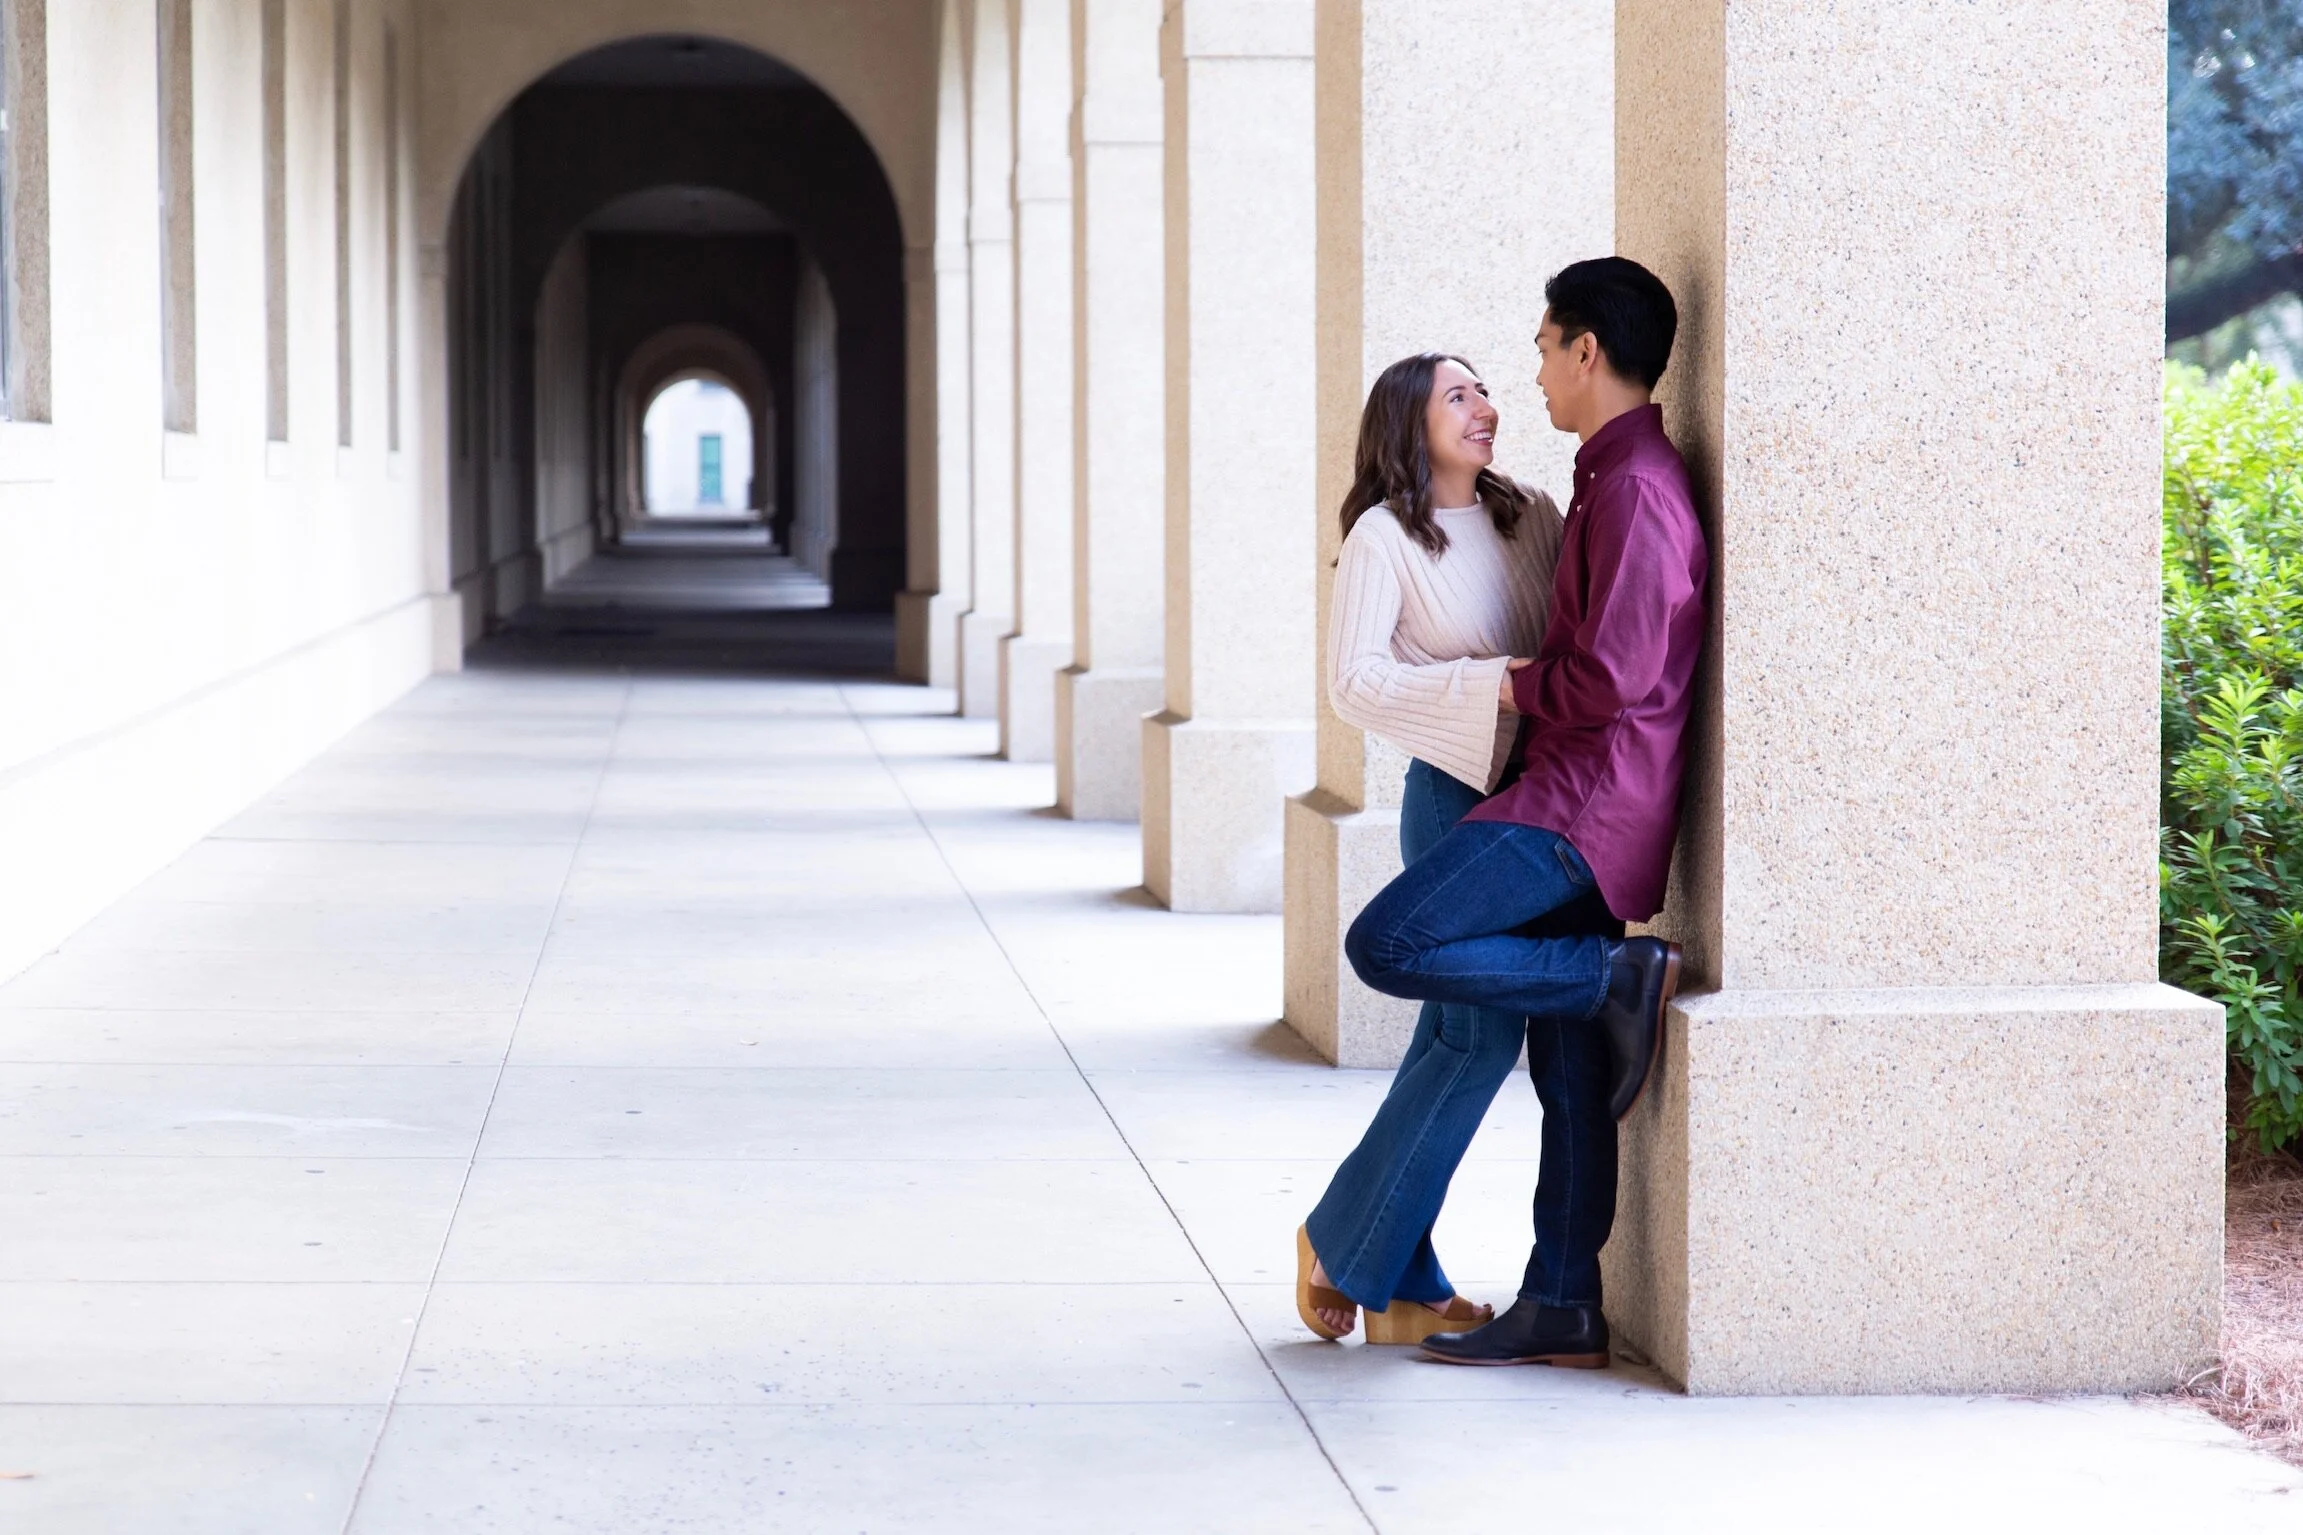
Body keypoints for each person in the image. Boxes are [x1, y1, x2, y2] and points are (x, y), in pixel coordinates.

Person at [1342, 257, 1708, 1369]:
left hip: (1578, 806)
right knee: (1564, 1069)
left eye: (1544, 347)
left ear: (1586, 350)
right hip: (1559, 789)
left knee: (1388, 939)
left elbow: (1608, 678)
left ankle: (1613, 979)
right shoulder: (1598, 479)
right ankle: (1563, 1299)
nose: (1529, 375)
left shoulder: (1635, 486)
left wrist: (1507, 680)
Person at [1294, 351, 1571, 1346]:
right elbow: (1353, 684)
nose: (1485, 406)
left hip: (1543, 796)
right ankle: (1342, 1241)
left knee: (1456, 1035)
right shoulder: (1381, 535)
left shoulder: (1529, 511)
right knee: (1478, 1035)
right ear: (1407, 422)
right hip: (1453, 795)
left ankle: (1395, 1269)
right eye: (1457, 395)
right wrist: (1490, 685)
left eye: (1484, 389)